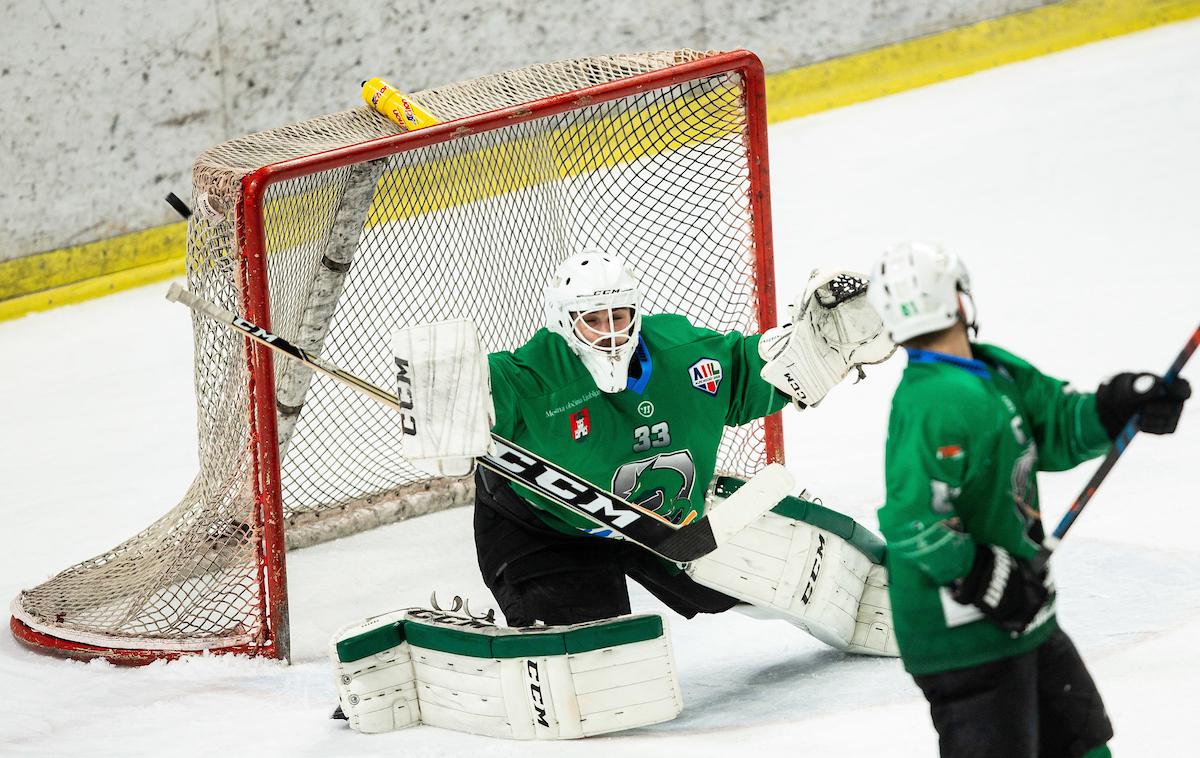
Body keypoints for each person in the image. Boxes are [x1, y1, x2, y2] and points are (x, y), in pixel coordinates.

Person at [469, 248, 898, 651]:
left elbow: (755, 371)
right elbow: (483, 389)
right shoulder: (533, 376)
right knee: (598, 665)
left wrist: (805, 353)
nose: (611, 334)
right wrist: (450, 396)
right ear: (565, 322)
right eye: (593, 321)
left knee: (744, 579)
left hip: (664, 527)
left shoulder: (685, 357)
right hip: (545, 528)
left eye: (619, 316)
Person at [866, 241, 1191, 758]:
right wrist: (988, 578)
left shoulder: (992, 369)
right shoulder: (931, 403)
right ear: (957, 298)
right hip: (963, 642)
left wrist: (1117, 407)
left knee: (1085, 745)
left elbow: (1055, 425)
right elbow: (913, 521)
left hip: (1025, 618)